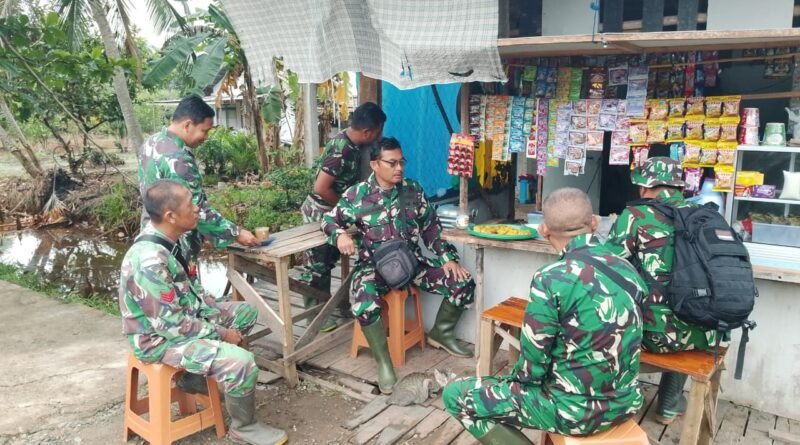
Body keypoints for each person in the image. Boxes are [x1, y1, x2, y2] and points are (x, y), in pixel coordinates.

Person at [443, 188, 645, 444]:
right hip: (626, 402)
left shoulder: (550, 278)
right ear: (595, 222)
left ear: (544, 229)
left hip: (574, 412)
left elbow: (533, 365)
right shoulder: (626, 268)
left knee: (455, 395)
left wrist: (507, 384)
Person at [119, 180, 286, 445]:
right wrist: (222, 334)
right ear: (170, 216)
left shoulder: (171, 240)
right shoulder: (149, 261)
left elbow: (189, 292)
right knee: (240, 361)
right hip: (159, 340)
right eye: (190, 204)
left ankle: (194, 378)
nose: (197, 209)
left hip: (185, 318)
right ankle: (244, 428)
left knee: (245, 312)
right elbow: (172, 327)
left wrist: (214, 315)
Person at [321, 137, 475, 394]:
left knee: (462, 281)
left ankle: (441, 333)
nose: (399, 168)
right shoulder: (357, 195)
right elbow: (329, 220)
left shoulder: (412, 190)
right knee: (364, 302)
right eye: (392, 163)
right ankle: (384, 362)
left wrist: (447, 257)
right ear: (375, 164)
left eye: (402, 162)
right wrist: (340, 236)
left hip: (412, 263)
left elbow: (431, 228)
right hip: (374, 267)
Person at [605, 156, 721, 425]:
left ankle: (618, 398)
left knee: (612, 311)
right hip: (704, 330)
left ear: (645, 187)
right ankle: (668, 404)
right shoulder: (706, 216)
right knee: (685, 313)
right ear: (680, 187)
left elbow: (607, 265)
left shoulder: (635, 216)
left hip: (652, 336)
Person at [138, 95, 259, 284]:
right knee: (182, 291)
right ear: (187, 125)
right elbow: (197, 210)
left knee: (159, 289)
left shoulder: (151, 143)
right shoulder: (178, 159)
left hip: (151, 234)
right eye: (205, 130)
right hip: (177, 242)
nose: (206, 137)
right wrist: (236, 233)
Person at [298, 102, 387, 333]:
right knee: (318, 265)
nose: (378, 137)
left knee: (329, 260)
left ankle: (331, 307)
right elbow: (321, 188)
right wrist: (347, 207)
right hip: (320, 210)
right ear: (367, 131)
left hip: (334, 209)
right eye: (378, 132)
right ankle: (315, 317)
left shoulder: (354, 145)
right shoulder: (342, 149)